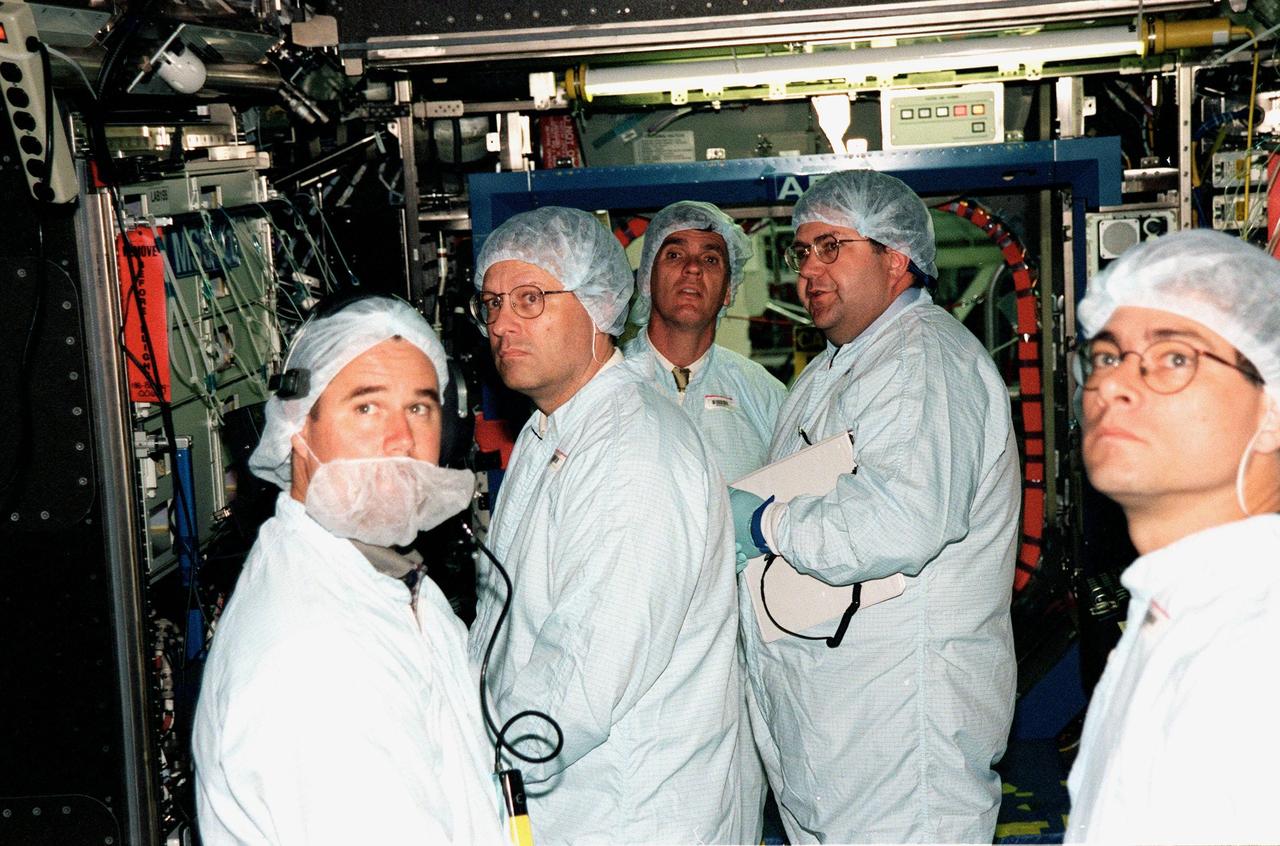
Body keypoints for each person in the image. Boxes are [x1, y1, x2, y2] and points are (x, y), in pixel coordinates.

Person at [729, 170, 1021, 843]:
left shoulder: (924, 359)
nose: (809, 270)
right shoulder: (837, 366)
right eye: (802, 252)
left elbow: (902, 517)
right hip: (839, 733)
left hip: (898, 730)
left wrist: (763, 522)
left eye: (832, 247)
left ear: (896, 259)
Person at [466, 206, 755, 844]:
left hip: (627, 810)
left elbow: (586, 675)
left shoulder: (634, 451)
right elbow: (509, 627)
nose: (502, 324)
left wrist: (464, 764)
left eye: (530, 299)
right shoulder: (552, 431)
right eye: (491, 304)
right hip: (566, 799)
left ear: (598, 306)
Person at [192, 296, 503, 845]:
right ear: (296, 429)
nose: (401, 440)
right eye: (366, 407)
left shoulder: (393, 581)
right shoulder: (315, 650)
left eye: (420, 408)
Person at [1064, 229, 1280, 845]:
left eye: (1174, 358)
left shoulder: (1261, 651)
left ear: (1273, 410)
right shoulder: (1173, 612)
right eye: (1105, 357)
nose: (1110, 385)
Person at [624, 200, 787, 482]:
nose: (693, 268)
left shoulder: (764, 394)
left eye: (710, 259)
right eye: (675, 255)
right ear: (647, 279)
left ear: (728, 290)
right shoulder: (605, 382)